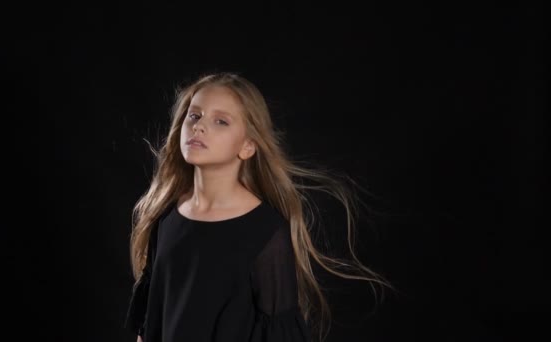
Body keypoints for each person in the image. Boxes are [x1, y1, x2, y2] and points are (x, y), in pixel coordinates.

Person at [124, 72, 392, 342]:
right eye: (194, 115)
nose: (199, 127)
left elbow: (277, 331)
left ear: (248, 146)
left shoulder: (265, 231)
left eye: (221, 121)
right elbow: (149, 323)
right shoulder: (167, 215)